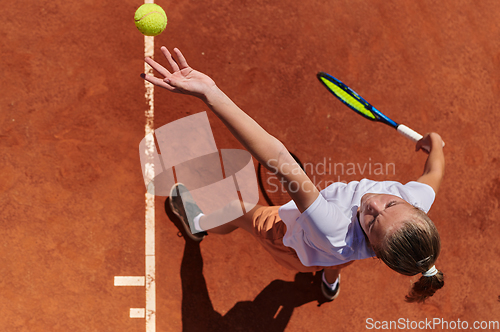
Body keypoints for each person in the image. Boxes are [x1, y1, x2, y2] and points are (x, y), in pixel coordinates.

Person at [141, 46, 446, 303]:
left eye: (373, 221)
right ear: (415, 207)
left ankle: (196, 224)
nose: (374, 204)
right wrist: (436, 144)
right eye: (391, 205)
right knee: (340, 258)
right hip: (336, 253)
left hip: (288, 243)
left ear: (377, 250)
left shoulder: (333, 227)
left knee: (237, 210)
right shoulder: (412, 202)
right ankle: (329, 282)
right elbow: (434, 169)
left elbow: (278, 159)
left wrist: (211, 93)